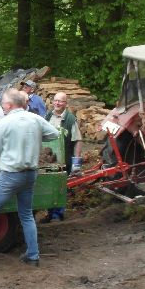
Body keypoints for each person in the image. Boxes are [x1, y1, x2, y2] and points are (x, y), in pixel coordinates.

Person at [0, 89, 59, 267]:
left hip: (11, 175)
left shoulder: (4, 123)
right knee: (27, 215)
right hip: (30, 174)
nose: (3, 105)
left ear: (9, 105)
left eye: (4, 102)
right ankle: (33, 255)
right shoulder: (36, 119)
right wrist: (36, 137)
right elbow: (54, 134)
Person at [43, 91, 83, 222]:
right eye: (55, 100)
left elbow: (78, 140)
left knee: (60, 188)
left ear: (66, 104)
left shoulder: (71, 119)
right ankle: (50, 213)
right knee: (49, 186)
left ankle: (58, 215)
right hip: (48, 160)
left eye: (60, 101)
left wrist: (76, 162)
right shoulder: (48, 116)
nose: (57, 103)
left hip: (63, 160)